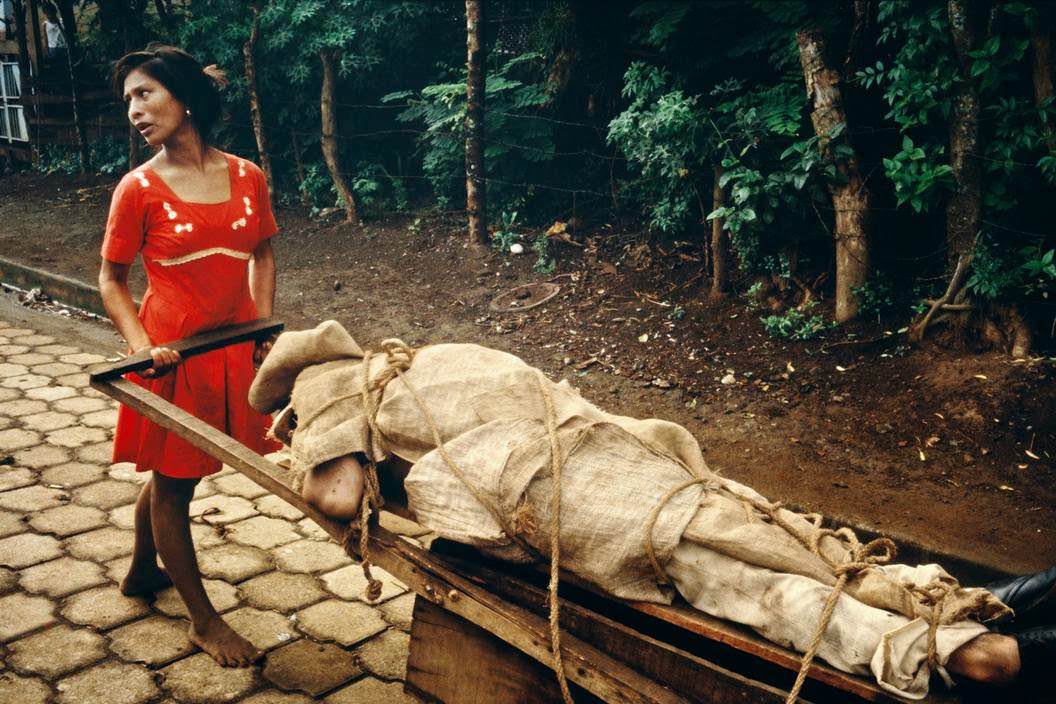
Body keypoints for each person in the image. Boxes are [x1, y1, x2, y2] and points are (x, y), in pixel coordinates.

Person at [249, 321, 1053, 699]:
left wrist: (298, 466)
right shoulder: (423, 357)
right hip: (625, 453)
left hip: (568, 500)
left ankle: (970, 656)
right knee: (762, 530)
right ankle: (975, 600)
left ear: (287, 381)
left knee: (743, 589)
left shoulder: (328, 388)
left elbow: (339, 492)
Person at [99, 44, 279, 668]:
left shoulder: (248, 174)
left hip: (229, 347)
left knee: (174, 471)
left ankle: (143, 570)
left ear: (187, 98)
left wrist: (260, 327)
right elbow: (111, 279)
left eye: (144, 93)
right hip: (172, 356)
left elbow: (263, 254)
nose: (134, 111)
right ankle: (204, 622)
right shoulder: (138, 187)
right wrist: (142, 347)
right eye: (127, 100)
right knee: (176, 481)